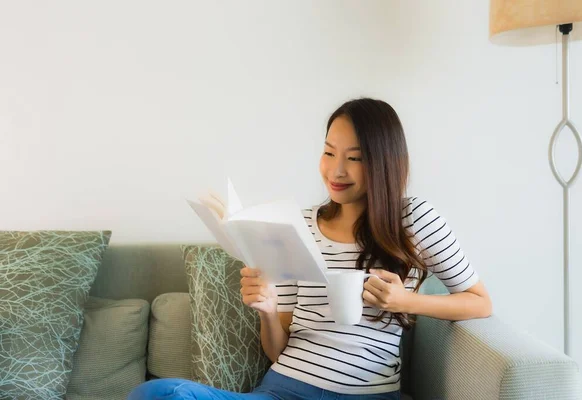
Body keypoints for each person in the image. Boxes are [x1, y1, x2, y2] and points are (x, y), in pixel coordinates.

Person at [128, 98, 492, 400]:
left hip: (367, 392)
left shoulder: (413, 219)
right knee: (160, 394)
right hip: (284, 390)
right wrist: (268, 311)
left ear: (383, 161)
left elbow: (479, 301)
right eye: (328, 152)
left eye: (354, 158)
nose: (336, 170)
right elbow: (277, 349)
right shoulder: (296, 225)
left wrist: (404, 302)